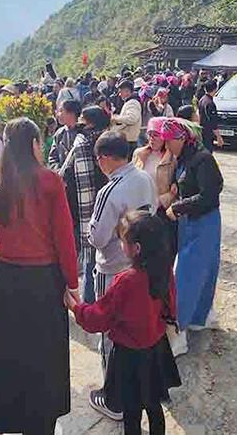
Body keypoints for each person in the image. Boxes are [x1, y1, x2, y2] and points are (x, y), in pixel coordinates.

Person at [0, 118, 79, 435]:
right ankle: (40, 426)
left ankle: (8, 420)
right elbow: (65, 238)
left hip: (7, 280)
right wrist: (72, 283)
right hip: (45, 283)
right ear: (35, 144)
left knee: (8, 354)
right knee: (43, 356)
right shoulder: (49, 181)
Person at [67, 210, 181, 435]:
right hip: (157, 348)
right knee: (153, 404)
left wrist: (76, 307)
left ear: (136, 249)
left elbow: (98, 318)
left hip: (129, 356)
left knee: (131, 409)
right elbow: (172, 306)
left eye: (122, 240)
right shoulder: (164, 270)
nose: (120, 244)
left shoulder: (127, 281)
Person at [85, 131, 157, 420]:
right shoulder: (144, 178)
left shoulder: (110, 191)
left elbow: (97, 238)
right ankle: (135, 390)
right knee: (135, 331)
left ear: (103, 159)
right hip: (142, 266)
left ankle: (113, 398)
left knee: (110, 334)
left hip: (114, 268)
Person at [156, 118, 223, 347]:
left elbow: (210, 195)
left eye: (170, 142)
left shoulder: (203, 160)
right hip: (189, 222)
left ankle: (179, 331)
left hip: (204, 222)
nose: (167, 147)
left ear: (183, 138)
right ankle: (198, 318)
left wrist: (178, 207)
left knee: (188, 275)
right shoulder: (183, 159)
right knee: (199, 272)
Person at [60, 105, 111, 303]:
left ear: (88, 122)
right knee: (101, 255)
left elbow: (64, 173)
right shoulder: (109, 141)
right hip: (105, 203)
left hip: (80, 207)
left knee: (87, 256)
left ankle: (88, 301)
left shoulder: (80, 142)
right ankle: (99, 299)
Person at [47, 99, 81, 170]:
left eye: (61, 111)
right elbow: (52, 158)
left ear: (71, 113)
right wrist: (59, 170)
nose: (58, 115)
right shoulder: (59, 133)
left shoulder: (83, 132)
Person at [111, 80, 143, 154]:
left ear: (127, 91)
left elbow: (132, 118)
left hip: (130, 140)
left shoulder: (132, 103)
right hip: (128, 139)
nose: (119, 94)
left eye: (121, 92)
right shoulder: (129, 102)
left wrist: (115, 118)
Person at [197, 80, 222, 153]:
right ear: (215, 89)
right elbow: (213, 122)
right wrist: (218, 137)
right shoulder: (210, 103)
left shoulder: (202, 100)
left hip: (202, 131)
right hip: (208, 132)